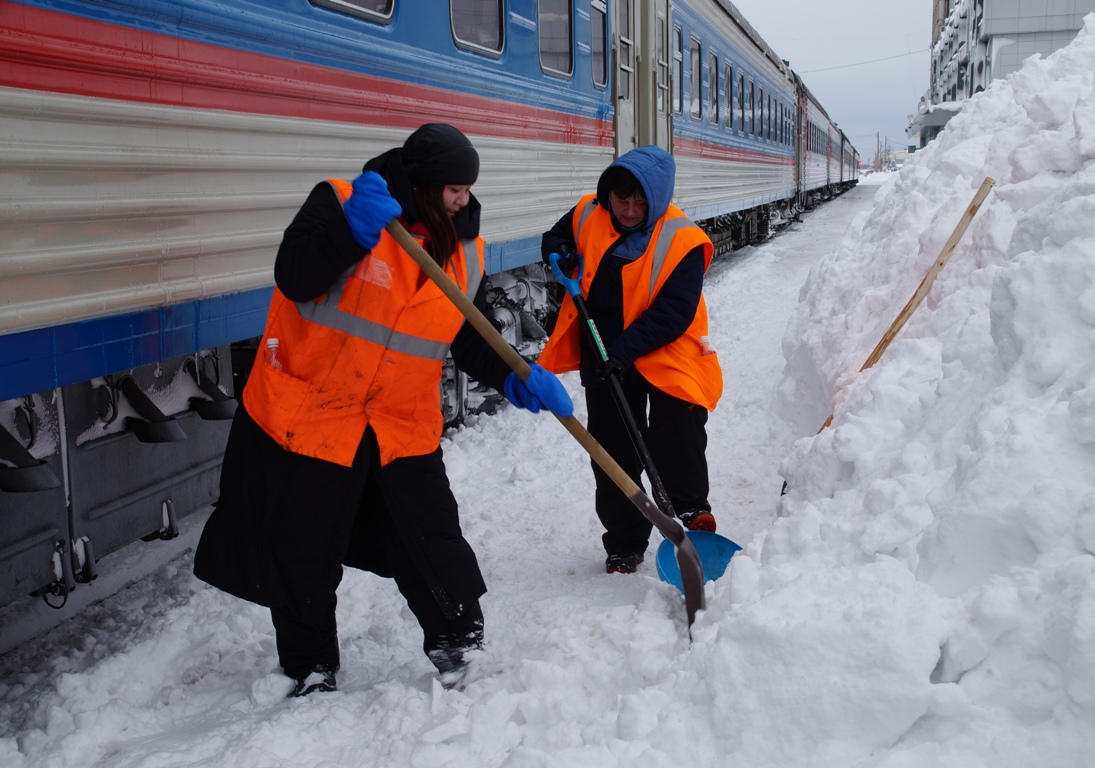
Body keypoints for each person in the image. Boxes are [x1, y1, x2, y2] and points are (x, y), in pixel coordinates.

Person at [193, 123, 572, 697]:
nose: (462, 199)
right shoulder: (343, 204)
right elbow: (294, 276)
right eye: (452, 189)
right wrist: (347, 235)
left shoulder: (466, 247)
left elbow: (464, 336)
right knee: (304, 548)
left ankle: (458, 639)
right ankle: (309, 666)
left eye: (467, 189)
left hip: (398, 419)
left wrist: (516, 376)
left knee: (430, 534)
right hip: (314, 414)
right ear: (419, 183)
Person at [538, 144, 723, 575]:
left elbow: (674, 312)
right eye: (622, 198)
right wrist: (559, 251)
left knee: (678, 426)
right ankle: (624, 541)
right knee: (612, 447)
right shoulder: (589, 211)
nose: (630, 208)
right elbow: (556, 236)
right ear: (609, 194)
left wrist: (624, 351)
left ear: (657, 199)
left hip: (663, 348)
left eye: (641, 200)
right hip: (601, 346)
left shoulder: (684, 239)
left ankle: (691, 511)